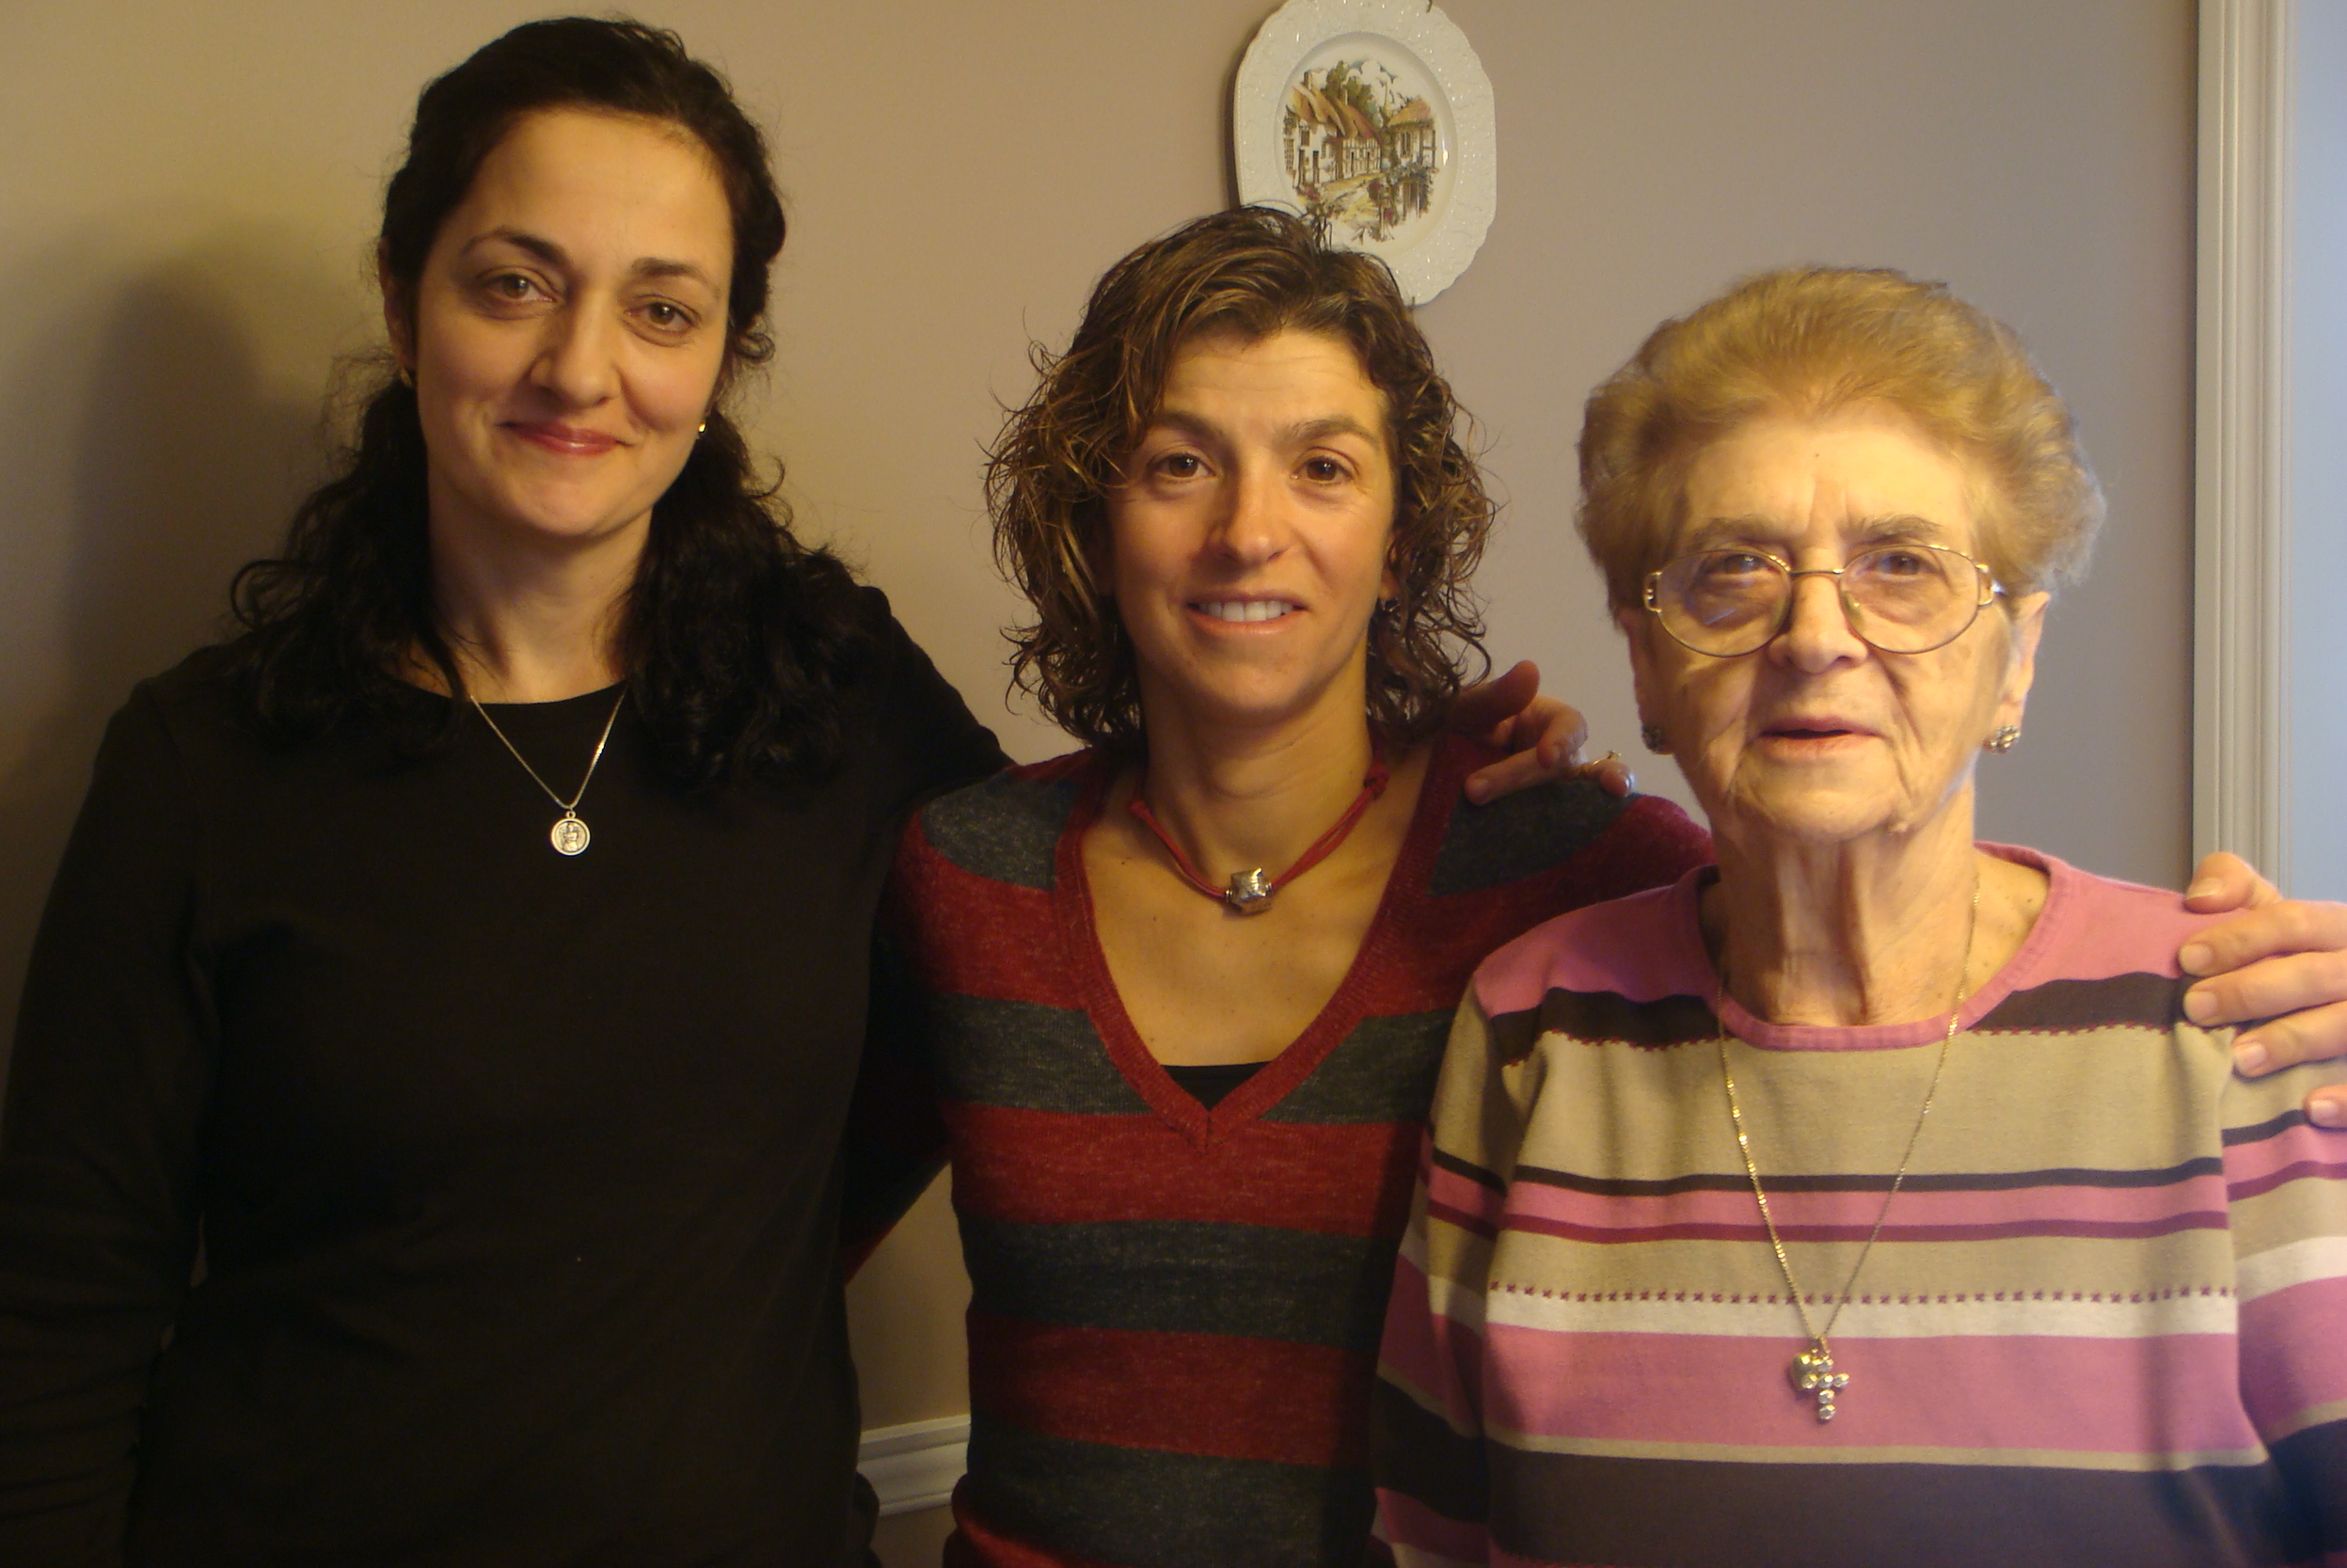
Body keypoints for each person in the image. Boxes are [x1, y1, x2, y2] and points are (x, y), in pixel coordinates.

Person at [861, 216, 2347, 1568]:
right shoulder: (983, 880)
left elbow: (1823, 891)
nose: (1813, 638)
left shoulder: (1563, 872)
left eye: (1324, 466)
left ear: (1401, 538)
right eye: (1180, 463)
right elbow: (764, 1222)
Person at [0, 18, 1013, 1566]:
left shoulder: (837, 694)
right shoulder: (203, 764)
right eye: (515, 284)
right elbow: (57, 1316)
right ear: (403, 301)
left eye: (662, 309)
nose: (580, 368)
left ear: (722, 360)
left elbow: (1074, 934)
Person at [1374, 268, 2347, 1565]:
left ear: (2018, 657)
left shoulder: (2239, 1025)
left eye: (1901, 566)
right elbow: (1432, 1539)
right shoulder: (1531, 1028)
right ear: (1646, 662)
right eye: (1735, 569)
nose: (1815, 636)